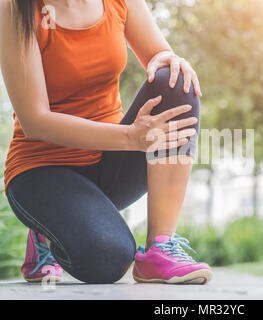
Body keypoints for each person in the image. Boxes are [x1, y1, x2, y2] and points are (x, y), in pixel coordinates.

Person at [0, 0, 212, 284]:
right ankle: (47, 231)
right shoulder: (16, 8)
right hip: (41, 171)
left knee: (176, 80)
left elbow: (160, 55)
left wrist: (167, 57)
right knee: (108, 260)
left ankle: (160, 249)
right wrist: (131, 137)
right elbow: (35, 121)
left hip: (107, 161)